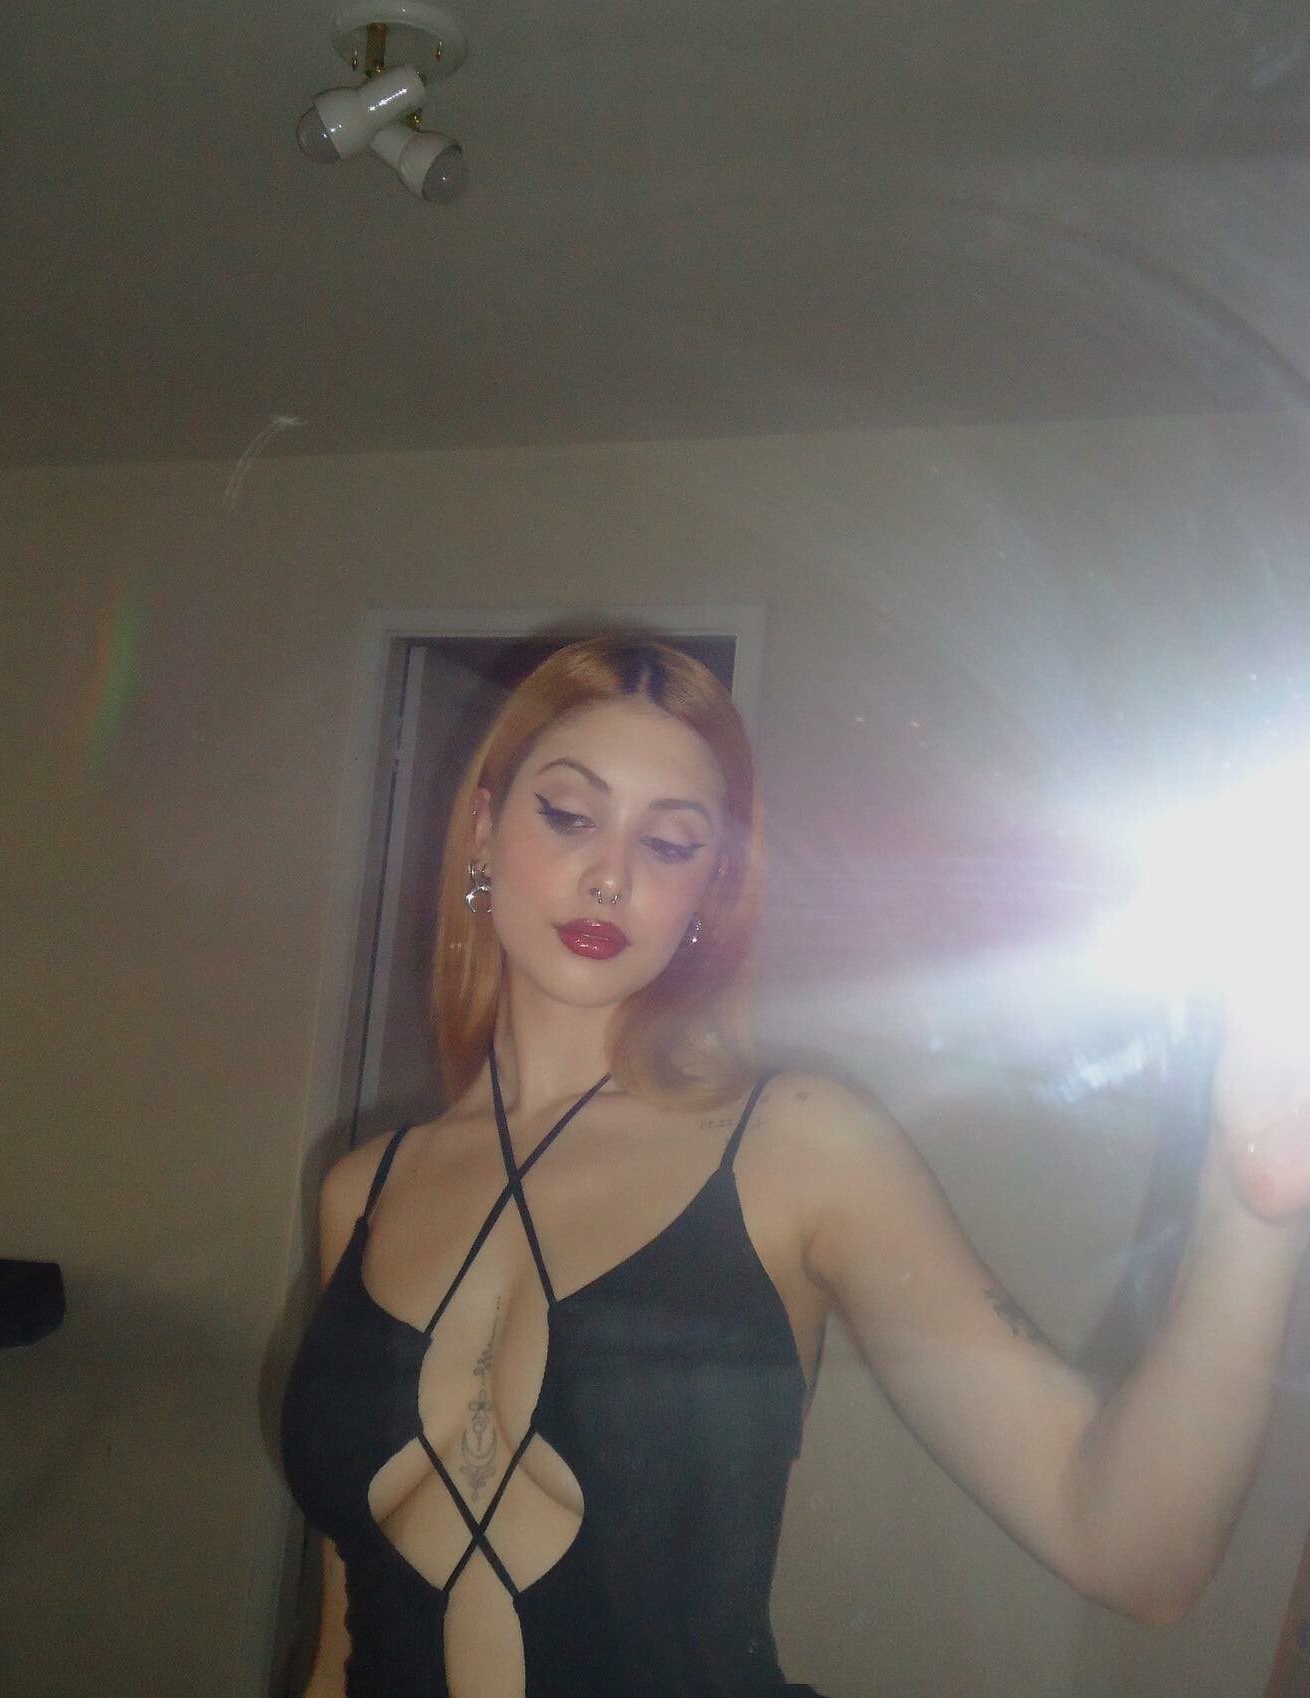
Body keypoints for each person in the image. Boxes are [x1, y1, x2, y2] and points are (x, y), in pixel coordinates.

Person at [280, 631, 1310, 1698]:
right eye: (571, 816)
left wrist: (1256, 1207)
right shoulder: (363, 1191)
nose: (612, 874)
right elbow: (341, 1640)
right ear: (483, 830)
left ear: (710, 890)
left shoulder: (800, 1147)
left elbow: (1131, 1549)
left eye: (670, 843)